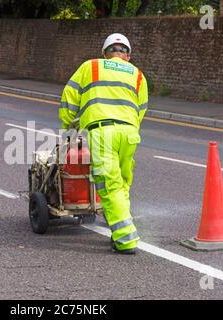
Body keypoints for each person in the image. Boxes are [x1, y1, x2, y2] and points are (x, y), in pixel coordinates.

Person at [59, 33, 148, 254]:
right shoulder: (137, 74)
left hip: (103, 132)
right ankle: (117, 221)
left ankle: (125, 239)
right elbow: (142, 107)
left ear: (105, 54)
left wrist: (68, 124)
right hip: (129, 134)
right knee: (123, 181)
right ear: (127, 55)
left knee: (109, 185)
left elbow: (70, 96)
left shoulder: (92, 66)